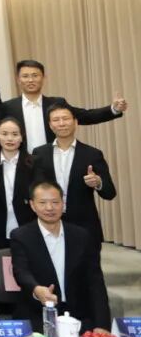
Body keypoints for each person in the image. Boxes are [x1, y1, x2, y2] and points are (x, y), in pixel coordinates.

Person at [10, 181, 111, 331]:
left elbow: (95, 282)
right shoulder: (21, 236)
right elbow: (21, 271)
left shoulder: (82, 236)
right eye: (42, 203)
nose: (49, 208)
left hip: (79, 318)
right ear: (32, 205)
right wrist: (36, 289)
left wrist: (102, 325)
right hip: (38, 318)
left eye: (55, 202)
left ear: (63, 203)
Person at [31, 105, 116, 253]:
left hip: (83, 224)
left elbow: (110, 193)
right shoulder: (39, 153)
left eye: (65, 118)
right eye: (56, 120)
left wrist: (98, 182)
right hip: (48, 224)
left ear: (75, 122)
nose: (61, 123)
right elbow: (34, 187)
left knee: (87, 266)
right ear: (50, 125)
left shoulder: (92, 154)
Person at [3, 60, 127, 152]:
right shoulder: (8, 107)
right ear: (18, 80)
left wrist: (114, 109)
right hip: (21, 164)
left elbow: (85, 116)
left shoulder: (56, 103)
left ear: (43, 78)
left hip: (52, 160)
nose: (30, 80)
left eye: (35, 75)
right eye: (25, 76)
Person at [0, 116, 36, 253]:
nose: (10, 139)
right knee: (2, 265)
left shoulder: (34, 164)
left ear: (22, 137)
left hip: (28, 227)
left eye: (15, 134)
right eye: (5, 134)